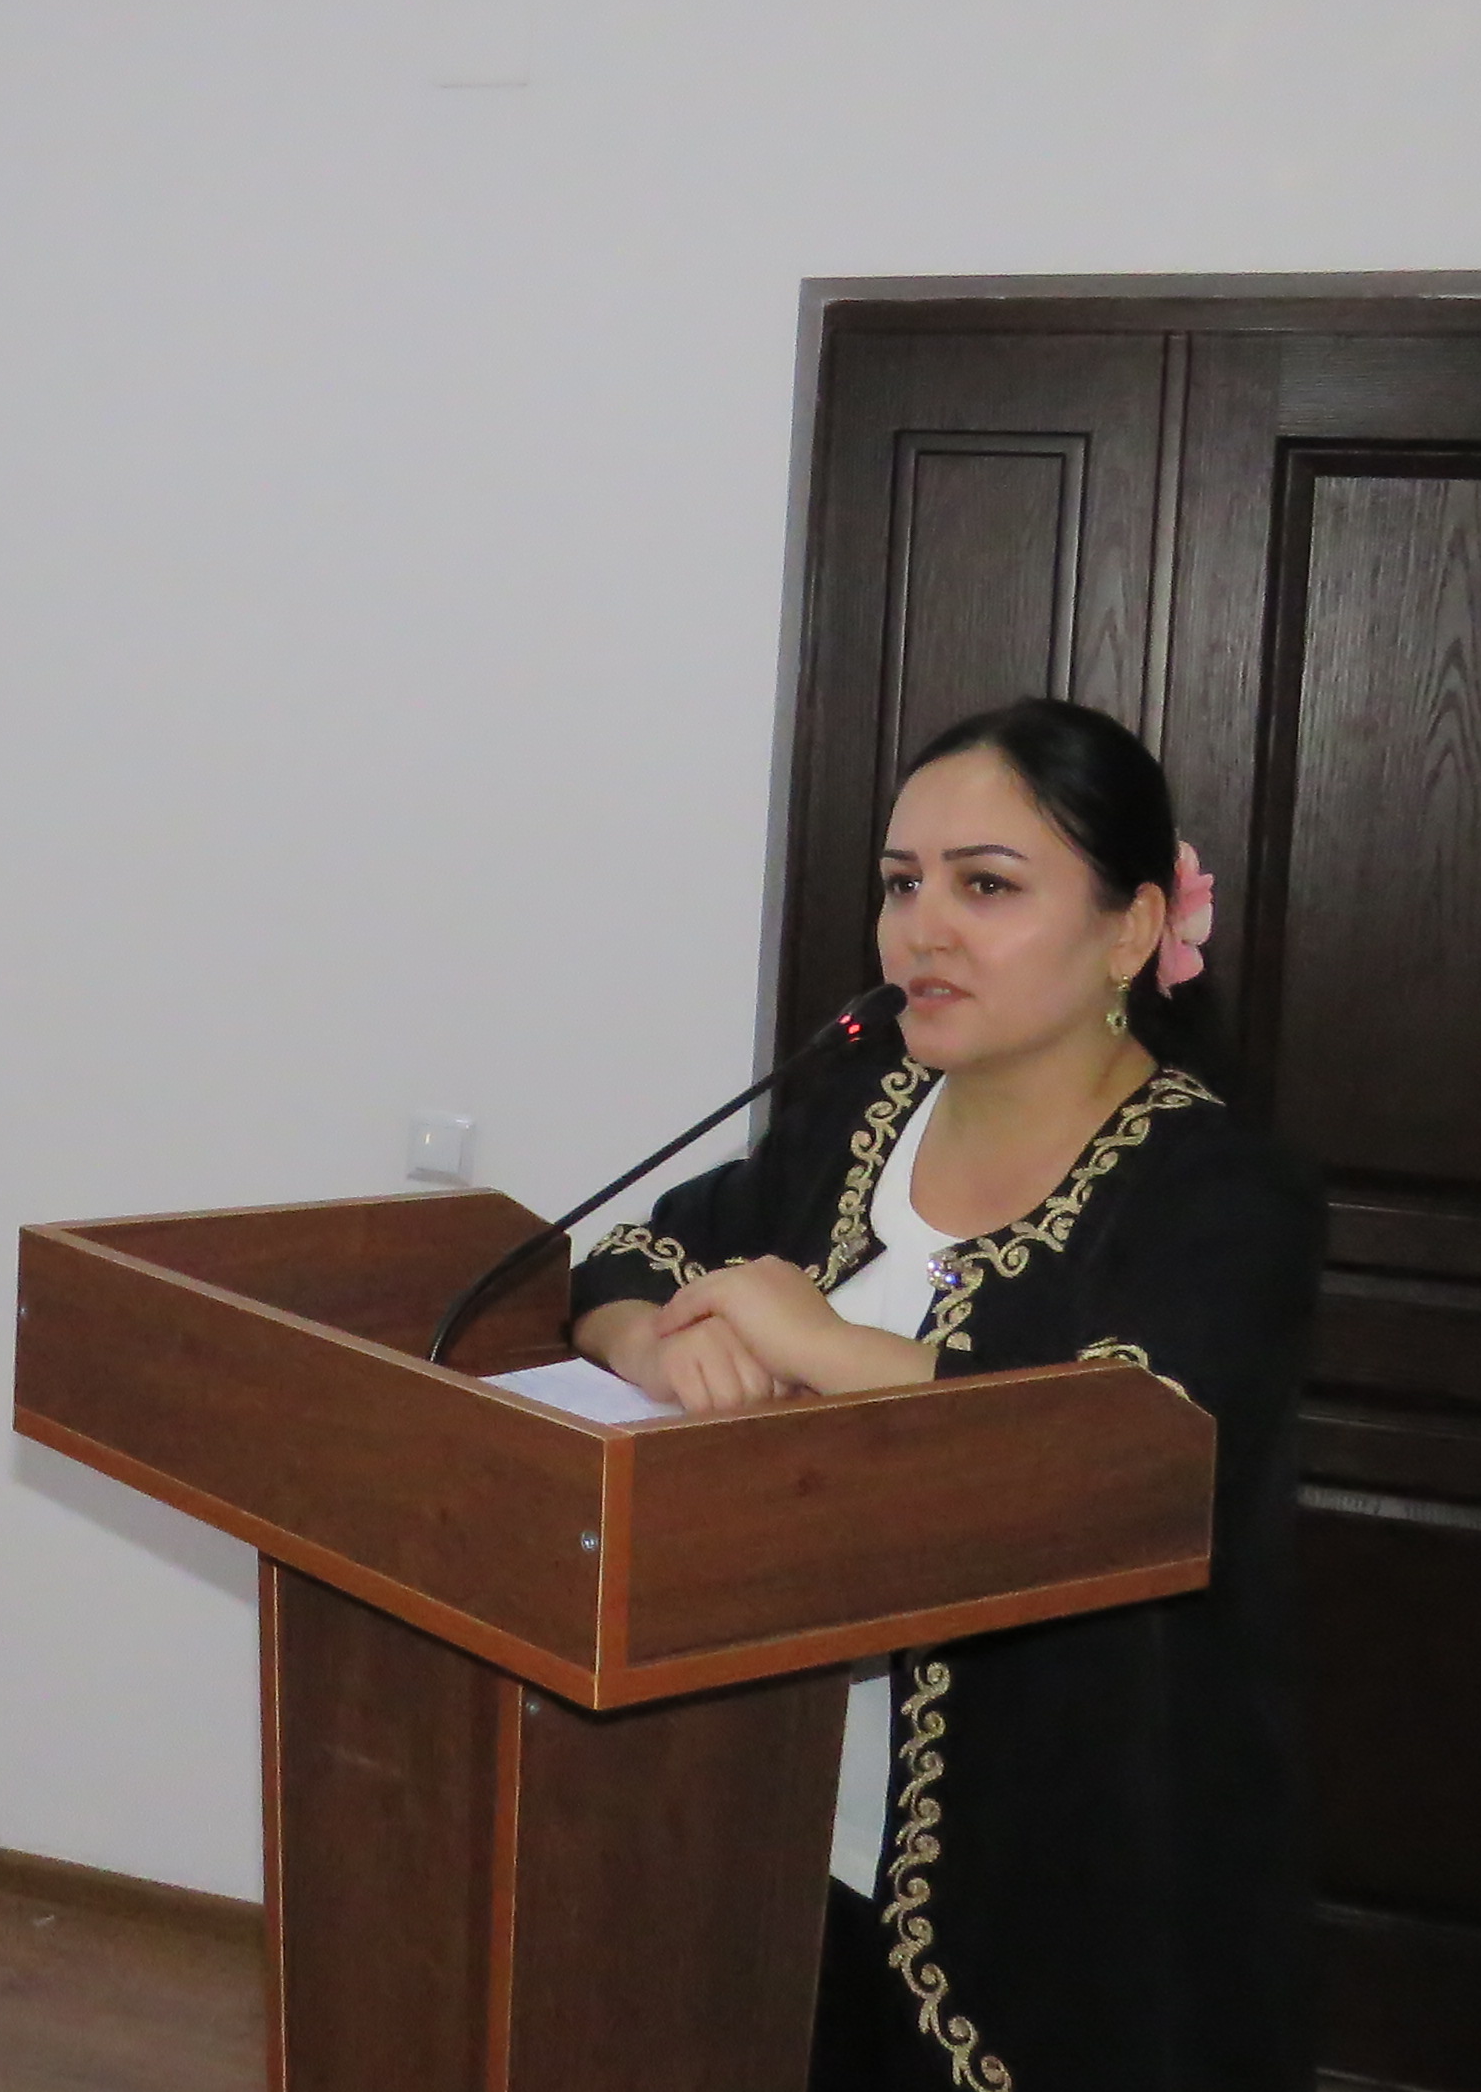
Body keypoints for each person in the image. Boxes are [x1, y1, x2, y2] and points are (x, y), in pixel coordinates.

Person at [568, 696, 1321, 2092]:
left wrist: (819, 1343)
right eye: (902, 884)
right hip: (779, 1828)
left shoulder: (1220, 1193)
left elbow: (1121, 1445)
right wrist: (660, 1346)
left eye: (987, 887)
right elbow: (628, 1256)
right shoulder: (858, 1114)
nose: (924, 930)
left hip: (1058, 1876)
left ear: (1131, 930)